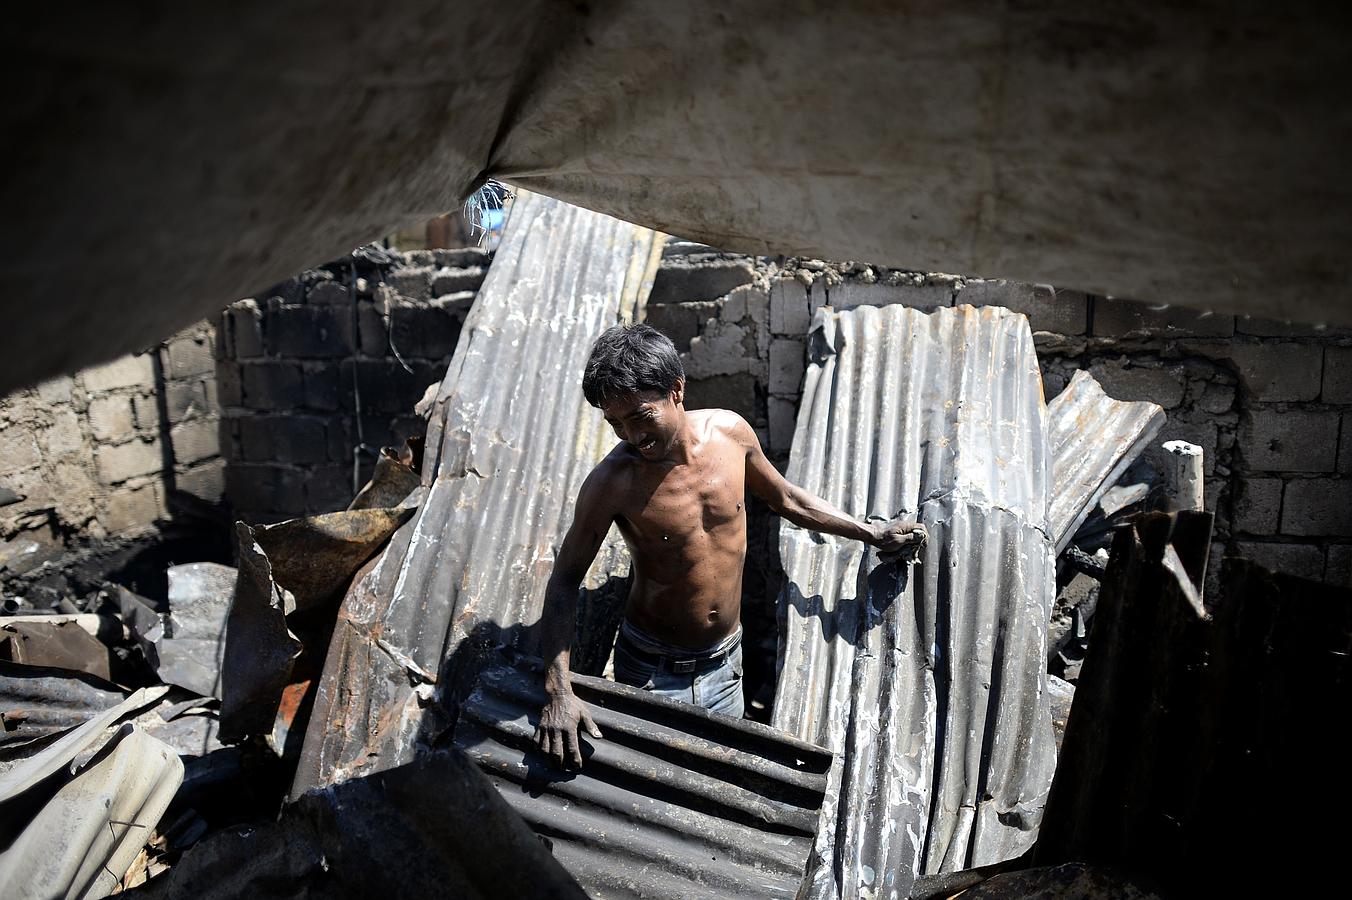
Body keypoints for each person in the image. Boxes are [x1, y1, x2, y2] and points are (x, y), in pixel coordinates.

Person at [534, 324, 926, 769]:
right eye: (615, 424)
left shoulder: (731, 434)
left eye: (640, 416)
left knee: (719, 778)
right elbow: (564, 582)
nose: (631, 436)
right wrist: (558, 690)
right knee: (661, 790)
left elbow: (788, 499)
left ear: (676, 390)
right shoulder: (611, 484)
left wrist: (869, 533)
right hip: (650, 671)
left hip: (727, 664)